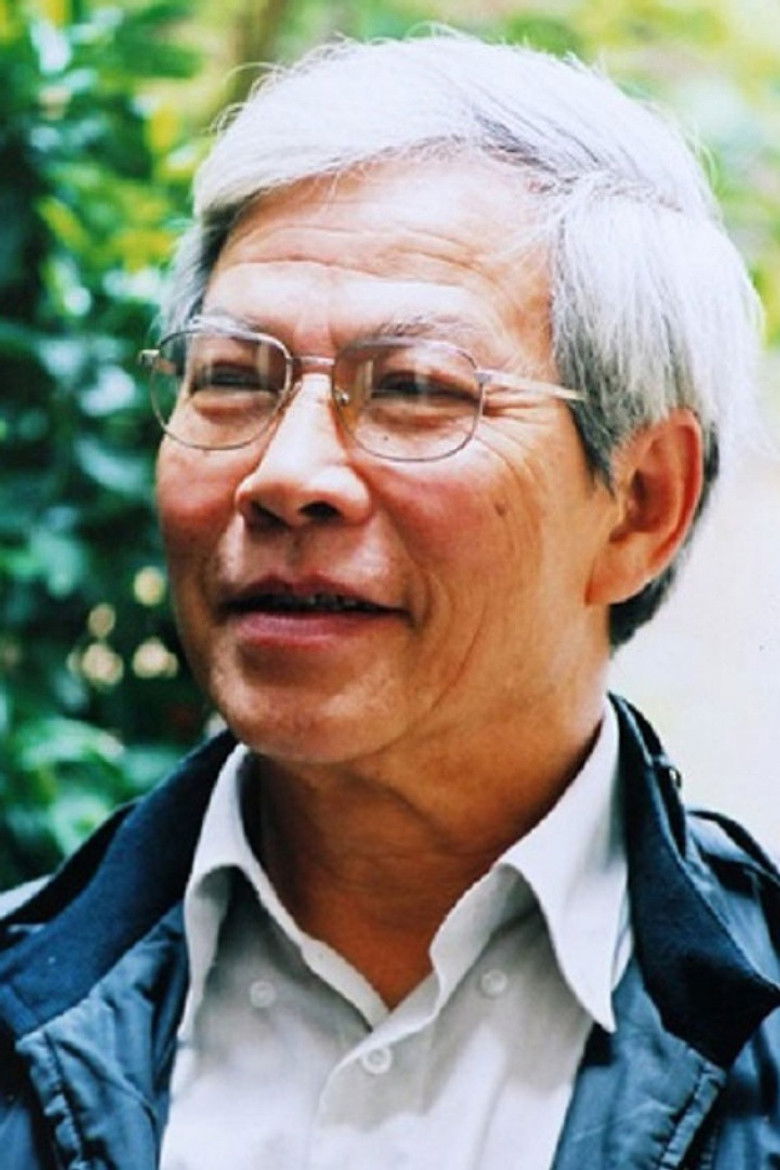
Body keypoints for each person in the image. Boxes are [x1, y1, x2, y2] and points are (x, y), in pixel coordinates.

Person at [1, 31, 779, 1170]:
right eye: (232, 379)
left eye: (413, 389)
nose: (284, 474)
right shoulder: (28, 999)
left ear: (640, 505)